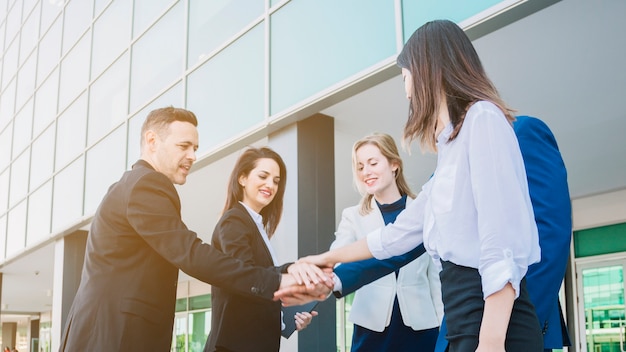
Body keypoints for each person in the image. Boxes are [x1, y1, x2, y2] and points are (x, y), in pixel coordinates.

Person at [285, 20, 544, 352]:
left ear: (427, 69)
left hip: (493, 328)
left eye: (405, 76)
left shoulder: (483, 119)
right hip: (464, 325)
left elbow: (502, 242)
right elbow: (395, 237)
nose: (406, 90)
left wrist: (491, 341)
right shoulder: (449, 151)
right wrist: (325, 257)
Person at [58, 107, 328, 352]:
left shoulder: (133, 184)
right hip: (112, 337)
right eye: (184, 146)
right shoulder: (146, 184)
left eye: (195, 147)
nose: (193, 156)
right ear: (152, 141)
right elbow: (191, 254)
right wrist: (280, 281)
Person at [330, 133, 443, 351]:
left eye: (373, 163)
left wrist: (444, 332)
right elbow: (338, 264)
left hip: (421, 328)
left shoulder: (423, 212)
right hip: (370, 330)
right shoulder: (352, 216)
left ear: (394, 164)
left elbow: (435, 279)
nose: (366, 172)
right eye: (360, 166)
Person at [204, 147, 317, 352]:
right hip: (235, 345)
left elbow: (258, 285)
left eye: (276, 180)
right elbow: (245, 278)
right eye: (263, 176)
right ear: (243, 179)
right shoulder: (234, 220)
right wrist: (289, 269)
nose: (270, 185)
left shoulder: (256, 225)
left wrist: (287, 318)